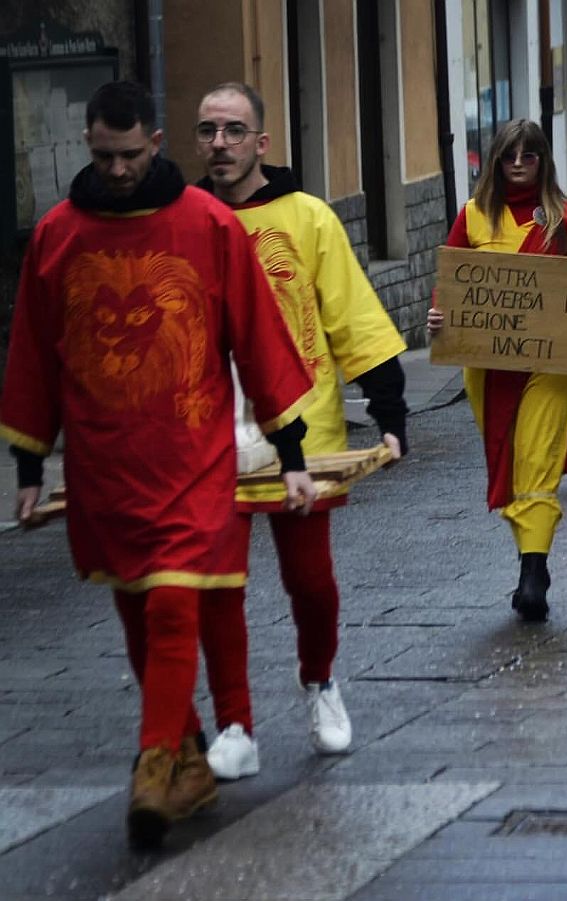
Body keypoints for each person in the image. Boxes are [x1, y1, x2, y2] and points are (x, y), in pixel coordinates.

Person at [0, 81, 317, 849]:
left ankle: (152, 766)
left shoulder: (207, 224)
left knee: (174, 601)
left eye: (130, 155)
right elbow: (34, 353)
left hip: (191, 459)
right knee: (140, 613)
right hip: (104, 466)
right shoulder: (56, 235)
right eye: (103, 156)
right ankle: (189, 756)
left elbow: (256, 335)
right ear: (89, 144)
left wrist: (292, 452)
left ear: (154, 141)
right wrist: (28, 464)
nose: (117, 170)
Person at [193, 82, 409, 778]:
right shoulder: (184, 221)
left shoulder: (308, 217)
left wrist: (390, 410)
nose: (220, 143)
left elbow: (350, 312)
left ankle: (319, 679)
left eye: (234, 130)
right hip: (207, 440)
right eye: (208, 130)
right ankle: (235, 722)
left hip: (303, 435)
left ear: (261, 142)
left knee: (311, 583)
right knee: (216, 585)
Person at [426, 119, 567, 622]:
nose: (518, 163)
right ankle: (529, 557)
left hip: (551, 364)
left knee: (538, 458)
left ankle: (534, 571)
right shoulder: (473, 216)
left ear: (542, 161)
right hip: (489, 368)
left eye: (528, 155)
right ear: (496, 160)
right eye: (509, 155)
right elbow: (450, 282)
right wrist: (439, 317)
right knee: (512, 460)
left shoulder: (565, 218)